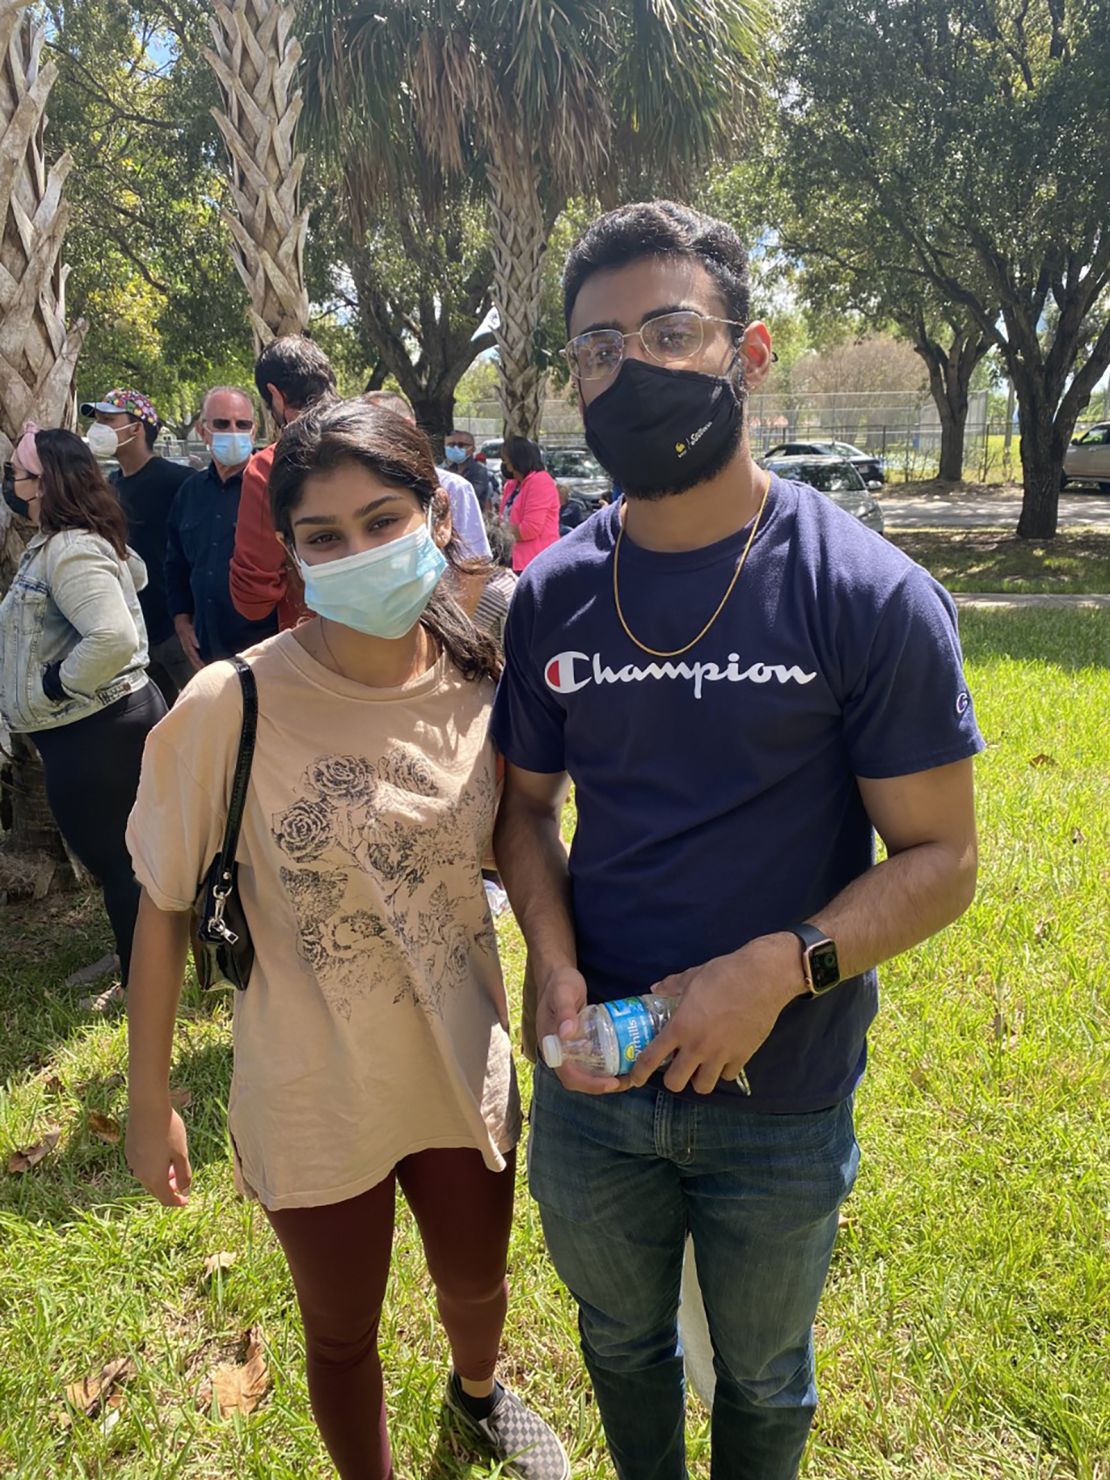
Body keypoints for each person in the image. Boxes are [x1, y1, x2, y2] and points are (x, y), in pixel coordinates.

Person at [491, 201, 985, 1480]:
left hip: (784, 1090)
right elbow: (527, 812)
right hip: (595, 1078)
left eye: (669, 331)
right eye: (598, 348)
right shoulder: (551, 595)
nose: (630, 371)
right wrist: (551, 961)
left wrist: (778, 970)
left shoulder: (865, 594)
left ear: (748, 354)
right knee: (617, 1338)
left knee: (765, 1373)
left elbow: (943, 860)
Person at [124, 398, 568, 1480]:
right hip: (311, 1089)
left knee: (477, 1282)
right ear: (290, 552)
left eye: (383, 519)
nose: (359, 552)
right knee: (340, 1331)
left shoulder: (482, 690)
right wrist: (149, 1101)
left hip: (459, 1067)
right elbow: (163, 905)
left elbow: (519, 845)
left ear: (434, 511)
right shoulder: (228, 706)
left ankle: (477, 1394)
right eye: (324, 536)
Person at [0, 426, 167, 1010]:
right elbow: (136, 576)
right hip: (100, 727)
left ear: (45, 485)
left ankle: (139, 983)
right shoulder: (76, 540)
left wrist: (54, 682)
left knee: (118, 863)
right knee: (128, 860)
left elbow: (113, 635)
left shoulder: (69, 548)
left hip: (95, 732)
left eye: (17, 475)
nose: (11, 484)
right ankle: (139, 958)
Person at [81, 388, 194, 704]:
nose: (99, 428)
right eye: (97, 420)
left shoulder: (179, 481)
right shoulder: (111, 486)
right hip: (136, 632)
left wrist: (188, 617)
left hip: (178, 630)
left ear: (136, 427)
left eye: (108, 419)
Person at [230, 335, 338, 631]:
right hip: (410, 637)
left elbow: (252, 598)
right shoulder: (383, 439)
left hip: (321, 648)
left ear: (275, 396)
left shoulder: (270, 466)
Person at [165, 387, 277, 667]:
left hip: (267, 651)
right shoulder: (189, 492)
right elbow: (176, 563)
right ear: (203, 432)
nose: (233, 431)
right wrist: (181, 620)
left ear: (254, 432)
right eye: (221, 424)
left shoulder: (273, 489)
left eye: (243, 424)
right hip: (207, 651)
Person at [365, 393, 492, 563]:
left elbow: (474, 564)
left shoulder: (454, 488)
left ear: (408, 425)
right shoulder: (351, 492)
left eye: (376, 427)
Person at [498, 439, 560, 572]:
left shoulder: (540, 481)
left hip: (535, 563)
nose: (503, 462)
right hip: (511, 560)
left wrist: (500, 532)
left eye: (505, 458)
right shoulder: (512, 484)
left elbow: (529, 529)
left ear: (517, 458)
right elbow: (502, 519)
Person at [444, 428, 498, 512]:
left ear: (472, 449)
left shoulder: (479, 471)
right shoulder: (448, 469)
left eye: (461, 445)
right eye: (452, 445)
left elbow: (470, 495)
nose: (455, 448)